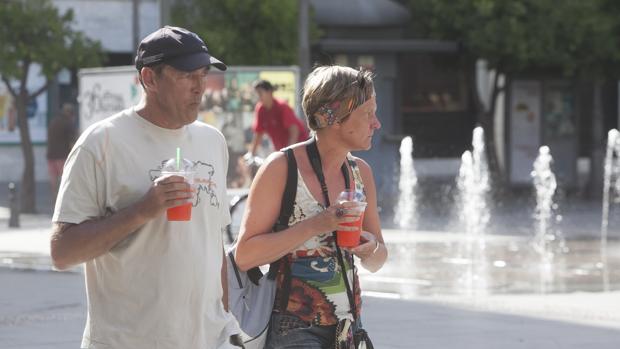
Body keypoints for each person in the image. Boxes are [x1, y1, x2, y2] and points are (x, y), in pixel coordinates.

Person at [50, 26, 242, 348]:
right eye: (186, 76)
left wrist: (225, 322)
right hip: (129, 340)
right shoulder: (101, 144)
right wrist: (143, 210)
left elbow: (212, 245)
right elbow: (62, 252)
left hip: (210, 339)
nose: (200, 88)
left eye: (203, 74)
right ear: (149, 79)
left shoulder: (212, 141)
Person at [235, 65, 388, 348]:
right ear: (332, 118)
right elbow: (244, 256)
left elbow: (378, 259)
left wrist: (370, 250)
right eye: (368, 113)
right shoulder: (281, 168)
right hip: (293, 325)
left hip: (349, 326)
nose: (376, 123)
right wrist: (317, 224)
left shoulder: (360, 172)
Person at [248, 79, 309, 156]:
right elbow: (258, 133)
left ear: (269, 92)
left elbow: (294, 130)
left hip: (300, 149)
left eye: (260, 93)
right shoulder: (260, 109)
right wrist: (251, 154)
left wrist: (288, 152)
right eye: (256, 93)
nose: (258, 96)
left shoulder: (282, 107)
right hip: (283, 152)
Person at [46, 102, 77, 202]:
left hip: (51, 156)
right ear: (70, 113)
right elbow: (72, 142)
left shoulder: (53, 121)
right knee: (65, 183)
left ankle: (55, 203)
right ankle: (63, 204)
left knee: (54, 183)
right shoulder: (68, 123)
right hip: (62, 157)